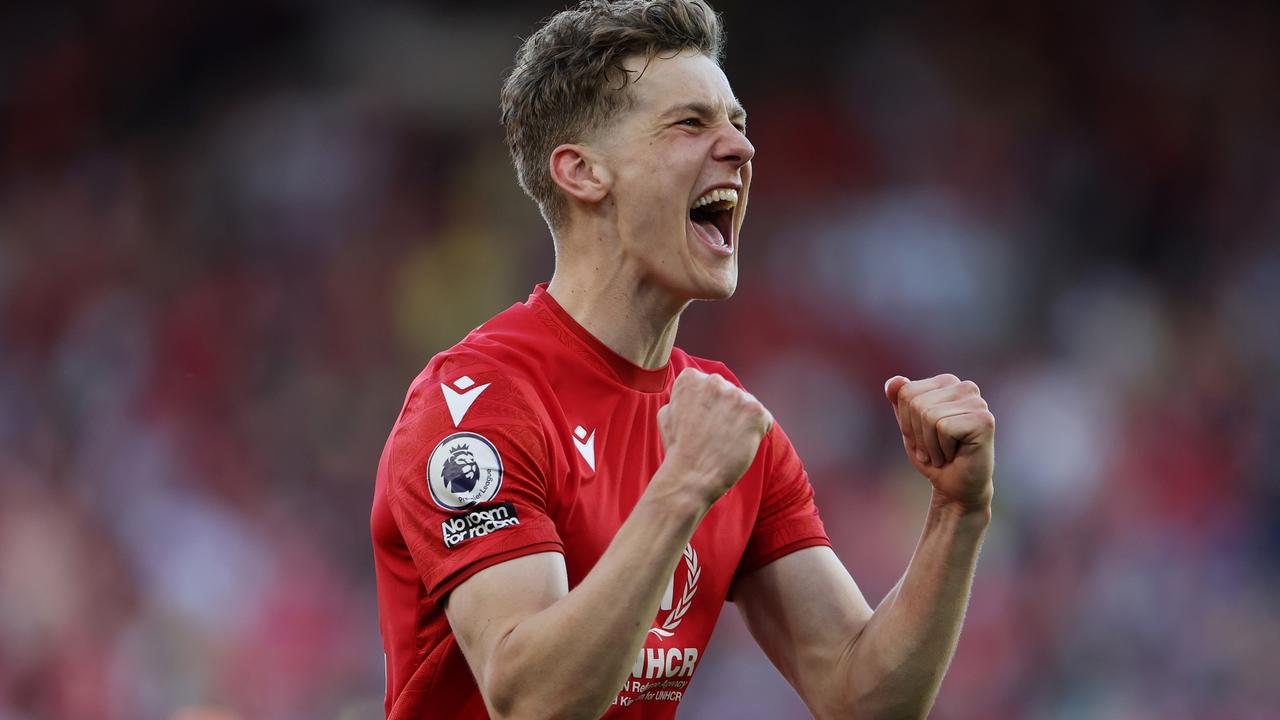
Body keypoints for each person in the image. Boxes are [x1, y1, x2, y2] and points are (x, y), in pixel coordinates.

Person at [370, 1, 995, 718]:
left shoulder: (723, 419)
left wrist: (957, 511)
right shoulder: (479, 401)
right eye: (691, 124)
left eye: (738, 124)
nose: (740, 149)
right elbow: (534, 701)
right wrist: (681, 488)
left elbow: (862, 698)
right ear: (582, 172)